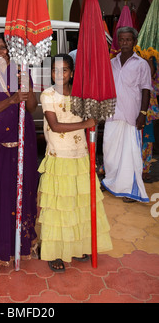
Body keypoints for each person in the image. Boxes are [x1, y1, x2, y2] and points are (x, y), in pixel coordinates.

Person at [38, 54, 112, 272]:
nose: (60, 74)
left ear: (72, 73)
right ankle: (55, 252)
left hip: (80, 155)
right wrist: (86, 123)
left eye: (65, 70)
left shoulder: (81, 95)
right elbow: (55, 126)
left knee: (79, 204)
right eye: (55, 70)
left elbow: (95, 116)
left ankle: (78, 245)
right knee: (58, 207)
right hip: (59, 156)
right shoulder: (47, 95)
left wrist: (95, 114)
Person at [0, 32, 39, 266]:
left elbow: (31, 107)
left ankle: (23, 246)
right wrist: (12, 100)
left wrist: (26, 85)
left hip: (24, 141)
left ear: (10, 50)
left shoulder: (22, 72)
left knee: (24, 191)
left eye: (3, 48)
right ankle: (0, 250)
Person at [102, 27, 152, 203]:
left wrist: (143, 113)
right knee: (110, 151)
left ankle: (131, 189)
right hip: (112, 114)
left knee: (130, 154)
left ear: (134, 42)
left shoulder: (141, 64)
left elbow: (146, 90)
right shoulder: (111, 63)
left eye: (128, 40)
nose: (124, 43)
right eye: (121, 39)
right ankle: (111, 182)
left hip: (132, 115)